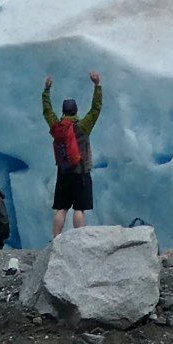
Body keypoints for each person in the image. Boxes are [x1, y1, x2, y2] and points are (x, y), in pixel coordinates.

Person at [44, 70, 103, 238]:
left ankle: (56, 239)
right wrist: (97, 85)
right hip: (81, 172)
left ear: (63, 111)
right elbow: (95, 109)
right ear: (76, 110)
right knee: (79, 208)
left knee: (61, 208)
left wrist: (46, 91)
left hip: (63, 173)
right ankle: (79, 239)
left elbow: (47, 112)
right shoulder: (83, 126)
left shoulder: (56, 127)